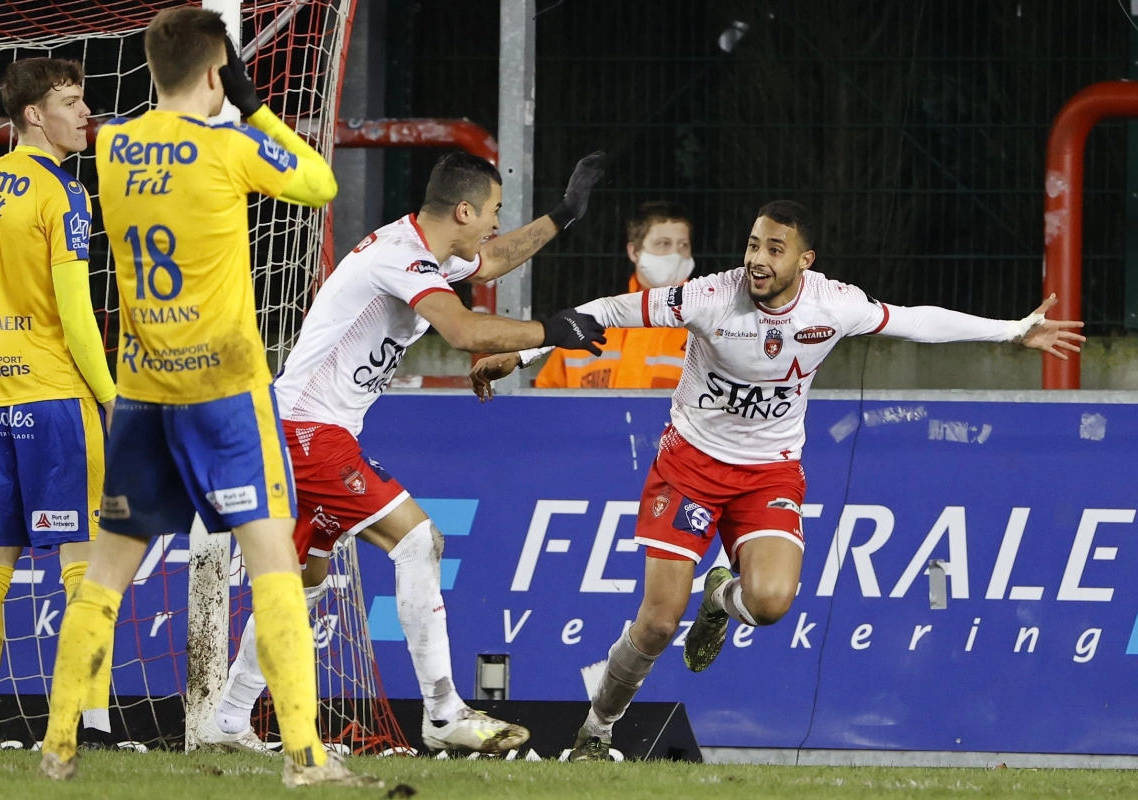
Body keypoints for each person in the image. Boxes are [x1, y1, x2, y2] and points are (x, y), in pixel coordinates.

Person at [471, 199, 1085, 760]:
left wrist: (1011, 330)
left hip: (769, 474)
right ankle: (596, 734)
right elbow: (609, 312)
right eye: (752, 244)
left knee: (769, 604)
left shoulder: (832, 304)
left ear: (804, 260)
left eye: (773, 249)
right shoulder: (710, 296)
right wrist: (522, 352)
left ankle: (720, 599)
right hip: (688, 466)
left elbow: (914, 319)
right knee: (658, 622)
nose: (757, 259)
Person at [37, 8, 374, 787]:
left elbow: (115, 121)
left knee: (107, 574)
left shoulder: (113, 145)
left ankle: (57, 745)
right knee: (272, 568)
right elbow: (320, 184)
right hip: (224, 392)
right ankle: (304, 757)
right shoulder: (230, 145)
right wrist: (252, 107)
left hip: (144, 392)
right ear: (218, 73)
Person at [199, 150, 608, 756]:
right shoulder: (402, 256)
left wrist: (565, 214)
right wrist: (549, 332)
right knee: (417, 540)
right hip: (304, 431)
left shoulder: (434, 247)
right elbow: (465, 331)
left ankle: (228, 721)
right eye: (494, 209)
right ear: (463, 209)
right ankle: (443, 712)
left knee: (302, 583)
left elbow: (490, 261)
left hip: (302, 430)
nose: (497, 221)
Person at [0, 58, 117, 751]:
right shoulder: (63, 194)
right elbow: (77, 316)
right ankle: (92, 722)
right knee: (86, 563)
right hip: (55, 398)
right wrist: (112, 398)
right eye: (71, 102)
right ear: (33, 115)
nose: (85, 114)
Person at [534, 200, 694, 389]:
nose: (676, 254)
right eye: (663, 244)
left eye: (683, 245)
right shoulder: (591, 322)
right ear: (634, 251)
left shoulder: (707, 325)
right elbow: (547, 401)